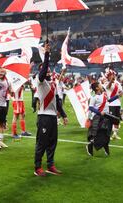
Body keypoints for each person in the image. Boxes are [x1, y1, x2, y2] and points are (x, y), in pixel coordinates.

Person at [34, 42, 68, 177]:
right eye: (45, 68)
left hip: (53, 117)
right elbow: (43, 72)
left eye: (48, 69)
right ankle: (37, 167)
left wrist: (64, 115)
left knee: (52, 143)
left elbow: (57, 102)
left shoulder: (53, 84)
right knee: (41, 143)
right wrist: (47, 54)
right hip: (43, 117)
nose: (47, 70)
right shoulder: (40, 81)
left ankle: (50, 165)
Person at [86, 82, 122, 156]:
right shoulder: (94, 97)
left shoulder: (105, 93)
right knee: (100, 134)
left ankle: (106, 147)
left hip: (107, 116)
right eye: (99, 85)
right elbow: (90, 107)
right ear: (96, 88)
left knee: (107, 134)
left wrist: (118, 96)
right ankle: (90, 146)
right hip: (98, 117)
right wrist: (99, 112)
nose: (101, 85)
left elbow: (109, 100)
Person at [104, 69, 123, 140]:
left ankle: (115, 134)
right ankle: (108, 134)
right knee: (110, 120)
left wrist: (121, 93)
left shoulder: (118, 83)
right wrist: (111, 82)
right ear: (108, 76)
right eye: (110, 75)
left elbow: (121, 93)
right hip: (110, 104)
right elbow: (107, 88)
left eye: (113, 75)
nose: (112, 76)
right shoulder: (106, 82)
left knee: (117, 120)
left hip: (117, 103)